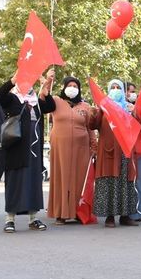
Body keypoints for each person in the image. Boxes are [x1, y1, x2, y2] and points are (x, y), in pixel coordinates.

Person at [0, 70, 56, 233]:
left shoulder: (36, 101)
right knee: (15, 182)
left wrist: (46, 91)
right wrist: (12, 80)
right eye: (24, 81)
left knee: (33, 183)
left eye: (29, 81)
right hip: (16, 149)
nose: (27, 84)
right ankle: (10, 219)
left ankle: (33, 218)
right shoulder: (13, 99)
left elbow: (51, 106)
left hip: (34, 151)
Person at [47, 77, 95, 224]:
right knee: (61, 178)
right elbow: (43, 99)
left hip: (82, 148)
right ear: (64, 87)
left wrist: (94, 145)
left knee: (80, 179)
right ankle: (61, 214)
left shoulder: (85, 106)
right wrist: (48, 81)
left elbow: (90, 128)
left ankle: (78, 212)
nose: (73, 88)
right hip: (60, 147)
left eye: (75, 86)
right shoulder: (55, 101)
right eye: (70, 85)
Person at [91, 79, 138, 227]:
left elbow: (136, 126)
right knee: (109, 181)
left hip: (125, 151)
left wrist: (134, 113)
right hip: (108, 152)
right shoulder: (103, 108)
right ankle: (109, 217)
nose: (116, 90)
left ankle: (125, 216)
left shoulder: (128, 108)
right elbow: (92, 124)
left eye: (118, 87)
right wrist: (97, 110)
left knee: (125, 181)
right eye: (113, 87)